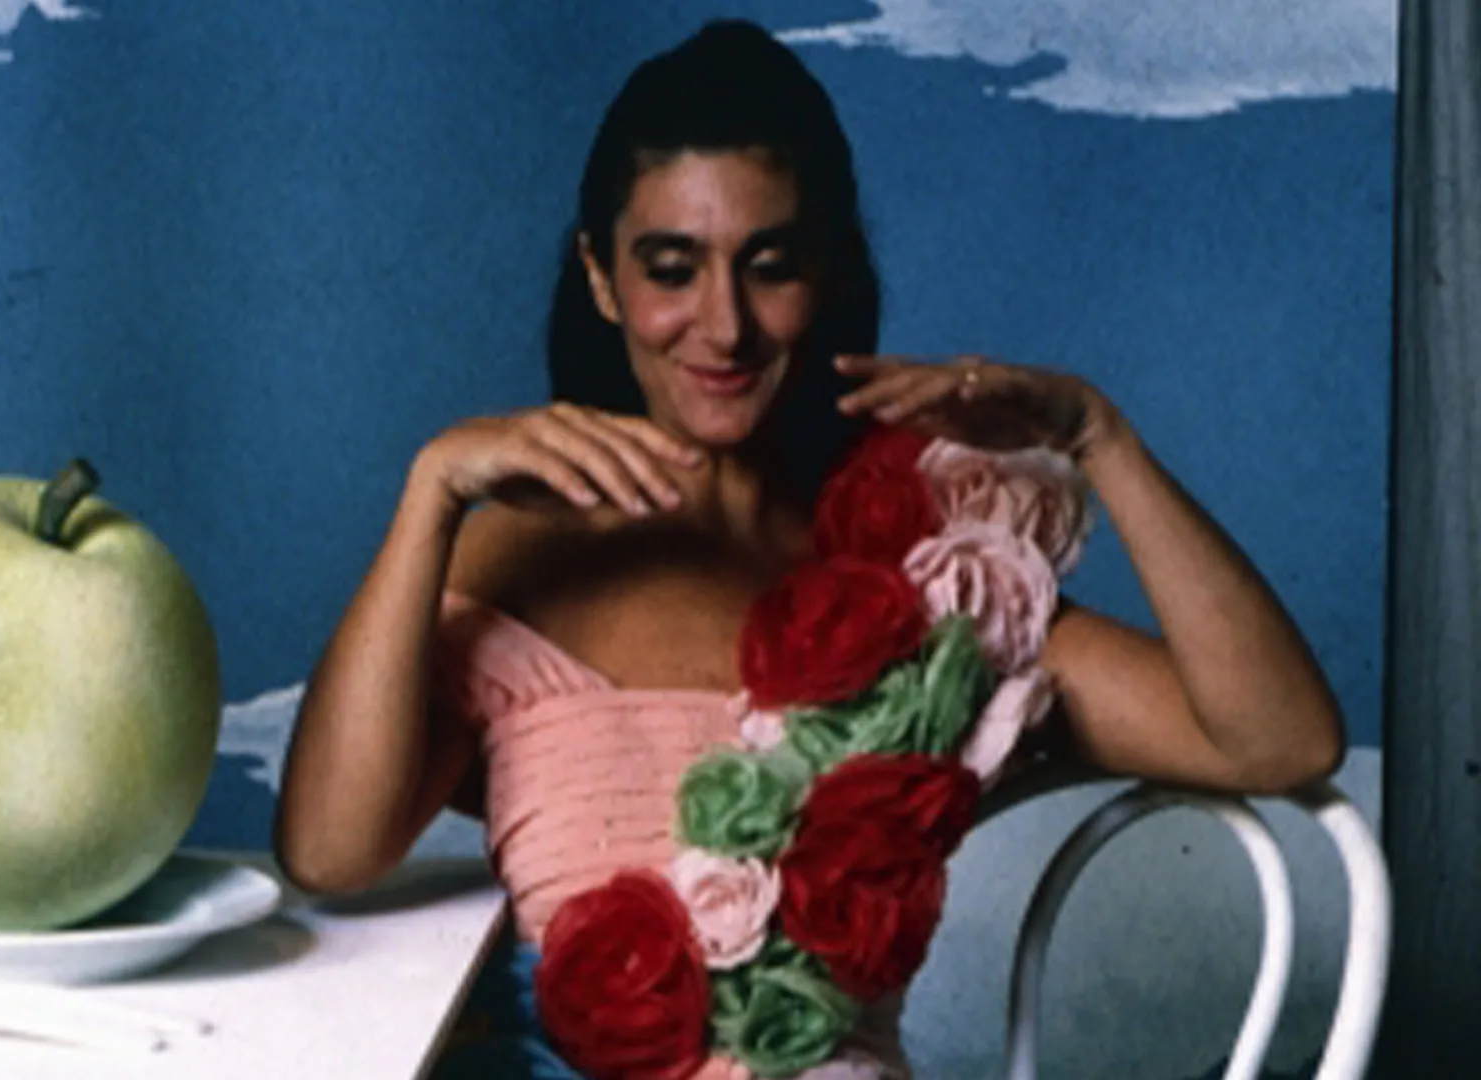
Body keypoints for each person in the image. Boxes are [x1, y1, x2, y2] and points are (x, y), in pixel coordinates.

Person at [274, 18, 1344, 1079]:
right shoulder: (518, 555)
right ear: (601, 278)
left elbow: (1277, 740)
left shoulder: (923, 567)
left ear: (828, 271)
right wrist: (431, 493)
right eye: (672, 268)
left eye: (771, 266)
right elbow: (328, 851)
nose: (725, 326)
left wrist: (1098, 438)